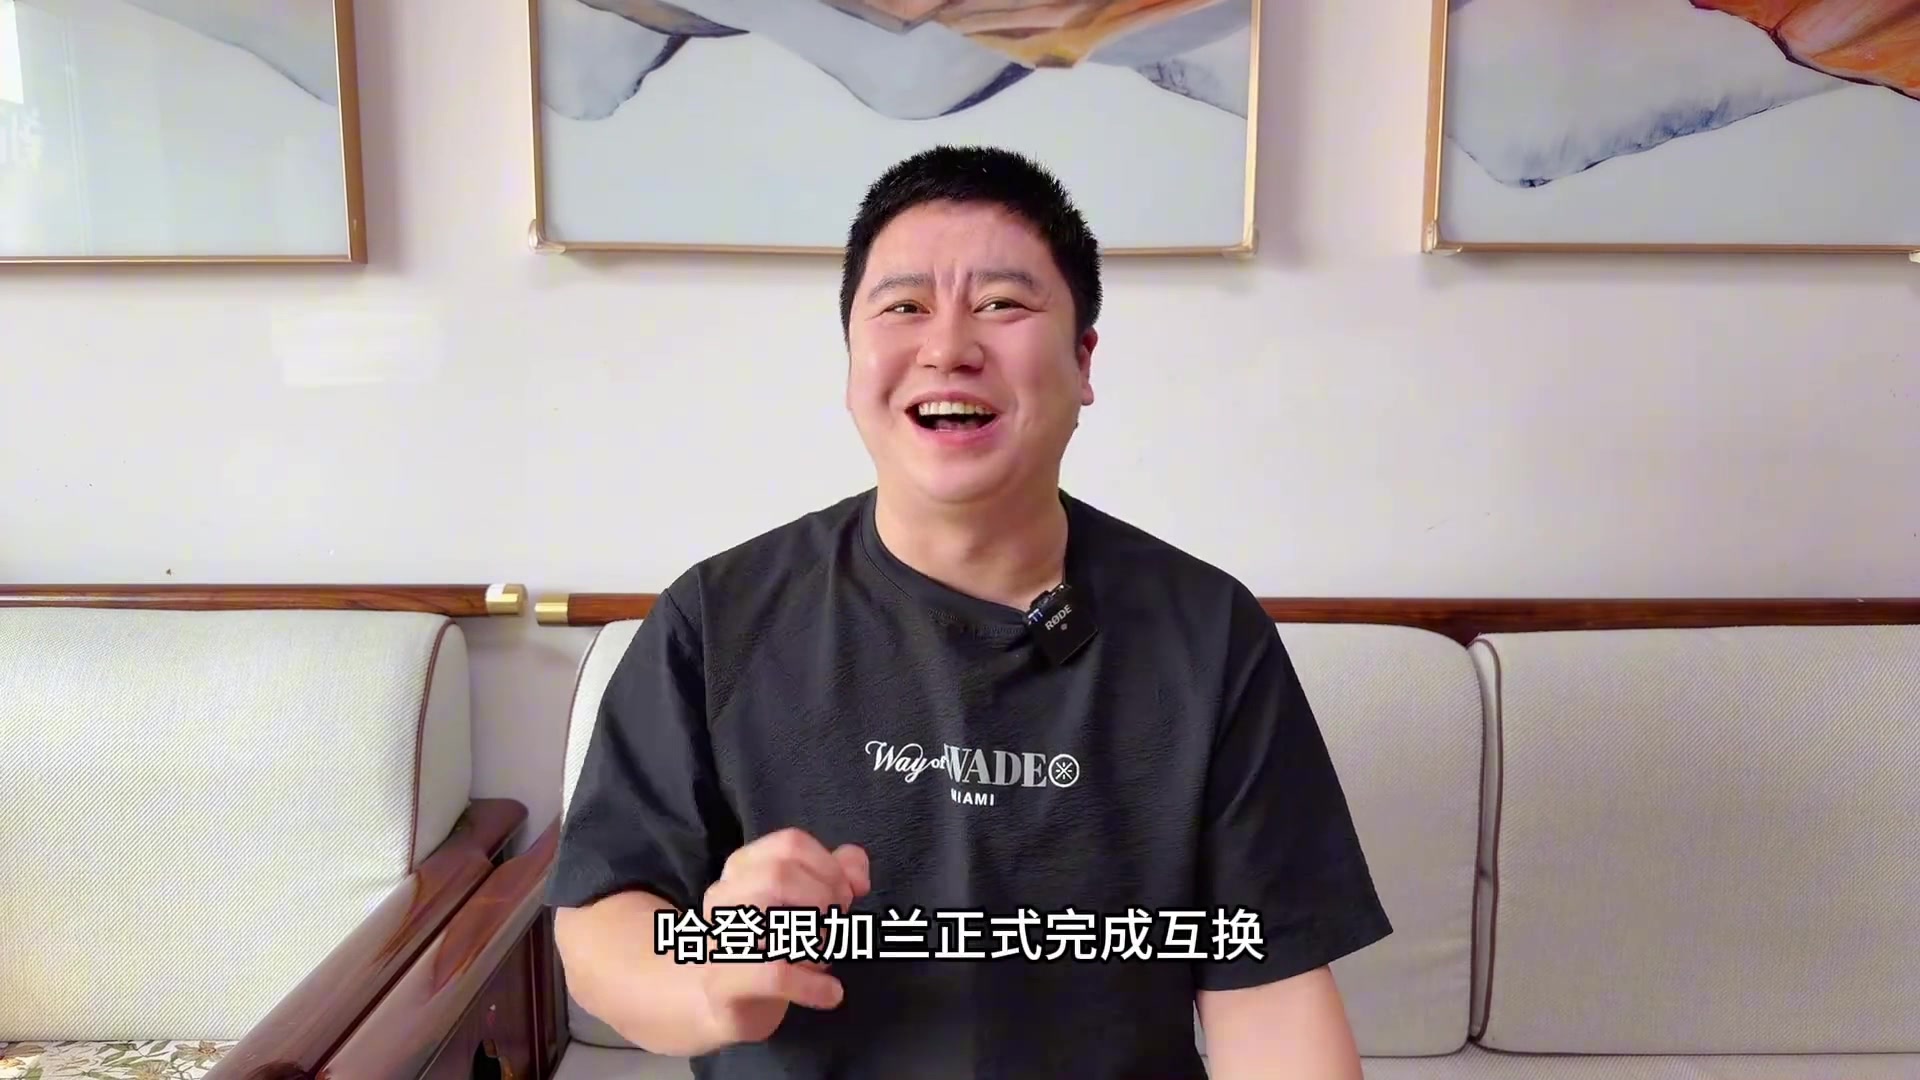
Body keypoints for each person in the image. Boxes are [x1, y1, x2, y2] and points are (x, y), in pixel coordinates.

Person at [547, 144, 1393, 1079]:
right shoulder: (719, 617)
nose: (948, 347)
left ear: (1083, 359)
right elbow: (602, 918)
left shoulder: (1208, 632)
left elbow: (1268, 990)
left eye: (1001, 304)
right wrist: (710, 980)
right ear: (852, 360)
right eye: (904, 307)